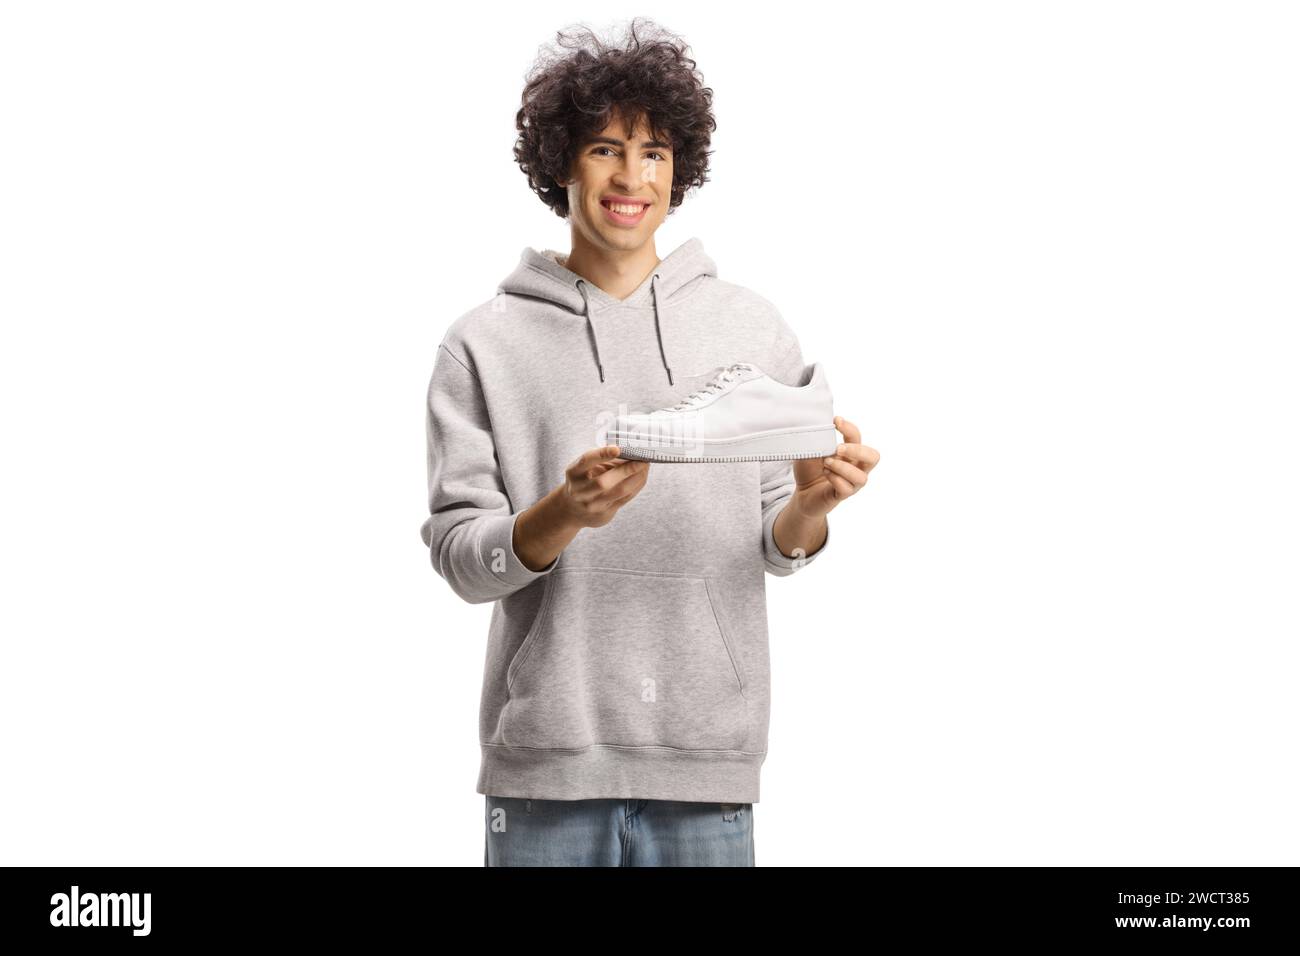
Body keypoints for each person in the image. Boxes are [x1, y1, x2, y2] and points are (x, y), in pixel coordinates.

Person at [420, 18, 879, 866]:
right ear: (562, 163)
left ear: (681, 171)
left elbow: (780, 545)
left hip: (707, 762)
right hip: (546, 769)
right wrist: (561, 514)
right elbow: (458, 557)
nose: (631, 178)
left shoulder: (752, 327)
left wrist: (810, 509)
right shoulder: (481, 343)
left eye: (655, 154)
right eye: (605, 149)